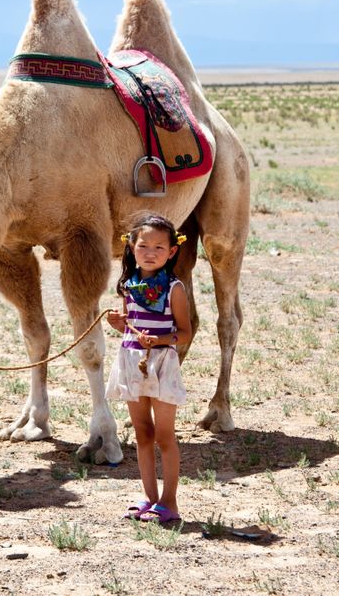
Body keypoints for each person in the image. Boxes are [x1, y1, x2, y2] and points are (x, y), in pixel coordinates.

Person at [106, 213, 192, 524]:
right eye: (144, 245)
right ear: (131, 247)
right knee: (142, 433)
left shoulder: (174, 289)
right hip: (132, 361)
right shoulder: (129, 286)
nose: (151, 252)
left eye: (159, 247)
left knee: (164, 435)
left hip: (161, 365)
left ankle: (170, 502)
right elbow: (130, 326)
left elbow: (185, 333)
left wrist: (157, 341)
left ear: (172, 252)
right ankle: (149, 497)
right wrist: (118, 324)